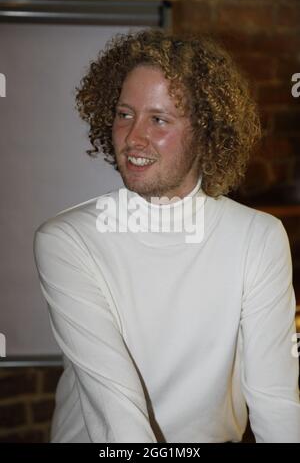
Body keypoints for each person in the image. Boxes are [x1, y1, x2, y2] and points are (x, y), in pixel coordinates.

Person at [33, 28, 300, 443]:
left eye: (158, 119)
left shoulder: (258, 239)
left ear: (206, 132)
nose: (133, 138)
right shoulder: (67, 240)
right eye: (125, 114)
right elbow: (118, 416)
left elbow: (277, 403)